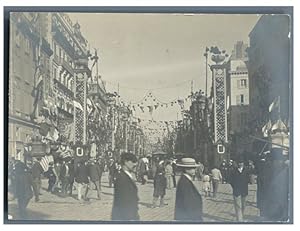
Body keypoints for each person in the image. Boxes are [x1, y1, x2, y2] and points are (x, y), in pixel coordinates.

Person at [111, 152, 139, 221]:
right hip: (126, 217)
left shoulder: (127, 175)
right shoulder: (122, 178)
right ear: (126, 162)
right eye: (133, 161)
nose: (135, 164)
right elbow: (122, 201)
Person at [229, 157, 249, 222]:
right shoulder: (234, 170)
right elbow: (231, 180)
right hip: (236, 190)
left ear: (243, 163)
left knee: (243, 205)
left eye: (241, 163)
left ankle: (241, 216)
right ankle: (239, 220)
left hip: (244, 190)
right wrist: (234, 187)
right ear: (237, 164)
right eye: (239, 163)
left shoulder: (246, 170)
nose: (240, 164)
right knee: (238, 206)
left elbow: (248, 179)